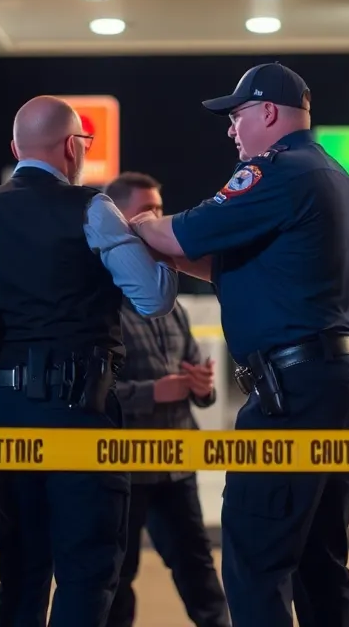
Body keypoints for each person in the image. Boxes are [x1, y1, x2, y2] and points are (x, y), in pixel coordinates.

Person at [128, 63, 349, 627]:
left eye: (237, 116)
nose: (231, 131)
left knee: (254, 559)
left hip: (295, 390)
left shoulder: (276, 172)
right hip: (341, 379)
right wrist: (166, 249)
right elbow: (222, 264)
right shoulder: (333, 177)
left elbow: (180, 233)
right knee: (318, 558)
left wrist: (139, 224)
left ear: (268, 113)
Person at [0, 95, 180, 627]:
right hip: (79, 413)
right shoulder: (92, 209)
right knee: (87, 566)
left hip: (0, 414)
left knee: (21, 567)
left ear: (16, 148)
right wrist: (150, 240)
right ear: (72, 147)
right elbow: (153, 299)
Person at [101, 171, 231, 627]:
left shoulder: (170, 298)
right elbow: (99, 392)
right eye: (147, 210)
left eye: (160, 207)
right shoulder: (103, 302)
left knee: (199, 572)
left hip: (176, 462)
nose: (158, 217)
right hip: (126, 468)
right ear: (118, 220)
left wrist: (202, 386)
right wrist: (152, 392)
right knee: (117, 576)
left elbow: (200, 379)